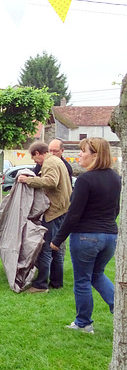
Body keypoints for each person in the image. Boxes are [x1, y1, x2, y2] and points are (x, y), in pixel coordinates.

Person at [51, 138, 120, 333]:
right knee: (97, 274)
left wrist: (57, 239)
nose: (79, 154)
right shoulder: (116, 178)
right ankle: (121, 309)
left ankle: (83, 323)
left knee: (82, 279)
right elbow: (116, 209)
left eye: (83, 151)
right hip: (109, 237)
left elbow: (74, 214)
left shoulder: (85, 179)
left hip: (86, 237)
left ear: (95, 155)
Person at [18, 141, 72, 293]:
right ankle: (56, 282)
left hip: (54, 211)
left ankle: (40, 285)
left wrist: (27, 180)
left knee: (46, 248)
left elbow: (51, 182)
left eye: (34, 159)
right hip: (62, 209)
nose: (35, 162)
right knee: (56, 248)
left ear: (38, 153)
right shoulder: (57, 161)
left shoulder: (49, 163)